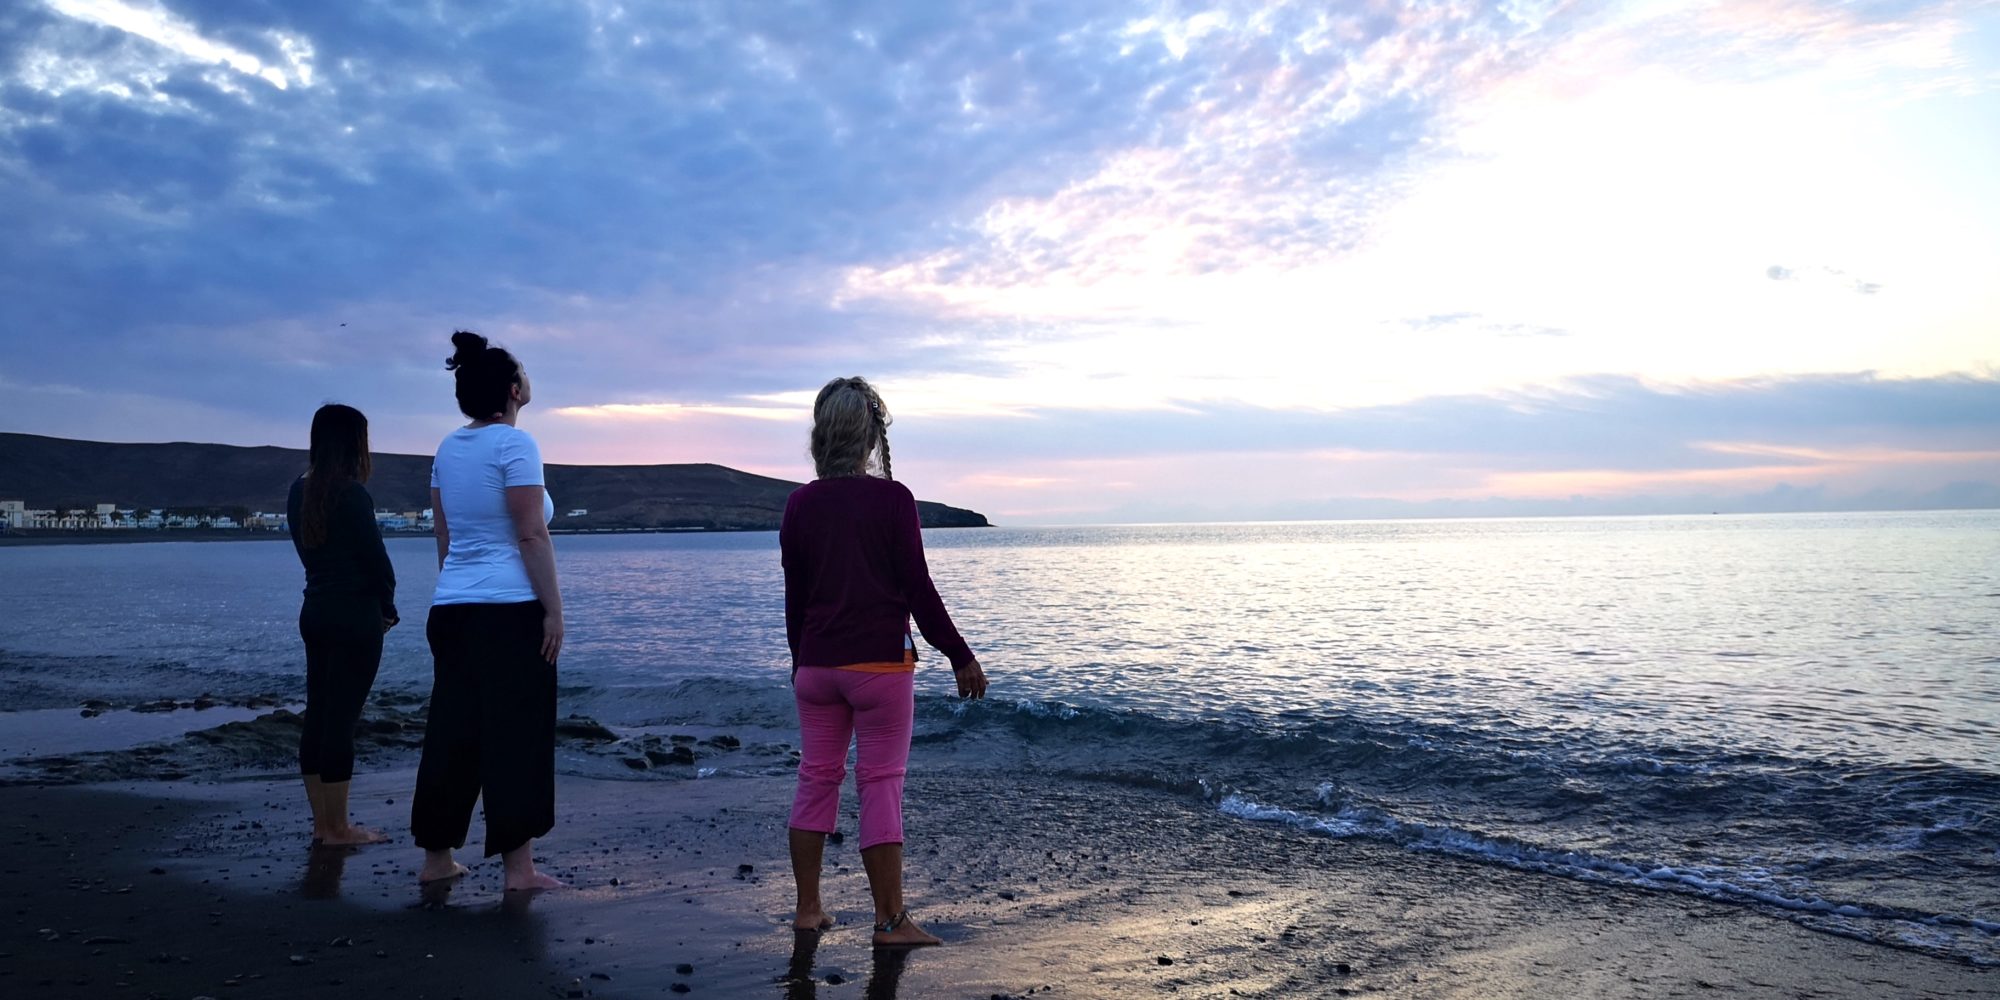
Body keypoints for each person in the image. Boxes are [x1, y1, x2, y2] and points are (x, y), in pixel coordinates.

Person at [780, 376, 989, 947]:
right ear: (871, 435)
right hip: (880, 668)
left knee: (816, 780)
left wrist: (801, 661)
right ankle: (890, 922)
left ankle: (807, 910)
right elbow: (917, 589)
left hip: (816, 668)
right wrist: (960, 655)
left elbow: (795, 597)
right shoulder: (894, 500)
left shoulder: (799, 504)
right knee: (880, 784)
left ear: (822, 434)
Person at [410, 331, 565, 892]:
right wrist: (554, 611)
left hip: (452, 608)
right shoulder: (515, 445)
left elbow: (444, 538)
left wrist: (456, 590)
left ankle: (436, 860)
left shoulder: (447, 449)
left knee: (452, 732)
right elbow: (531, 535)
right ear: (514, 389)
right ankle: (518, 872)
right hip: (509, 611)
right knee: (515, 735)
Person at [287, 402, 396, 847]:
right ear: (354, 444)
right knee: (342, 723)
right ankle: (338, 829)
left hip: (315, 613)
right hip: (353, 617)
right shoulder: (352, 494)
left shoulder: (299, 489)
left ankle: (322, 825)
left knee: (319, 715)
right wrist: (388, 608)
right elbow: (377, 563)